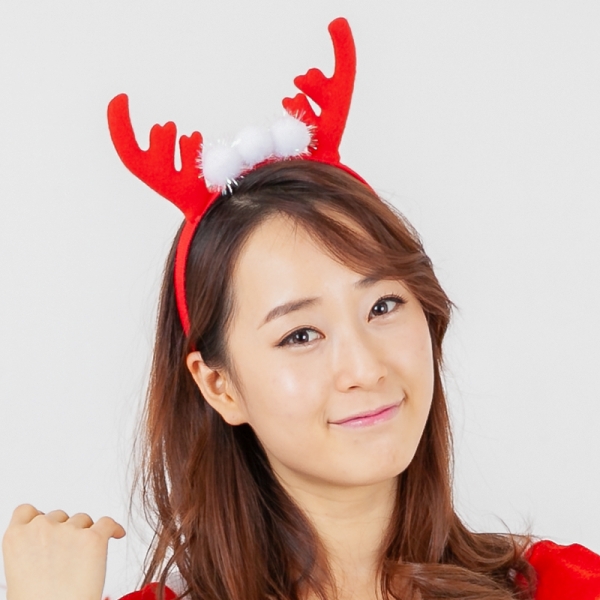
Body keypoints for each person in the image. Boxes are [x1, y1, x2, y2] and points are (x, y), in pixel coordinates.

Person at [2, 17, 600, 600]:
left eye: (383, 304)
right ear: (218, 385)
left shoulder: (565, 586)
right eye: (300, 335)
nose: (364, 368)